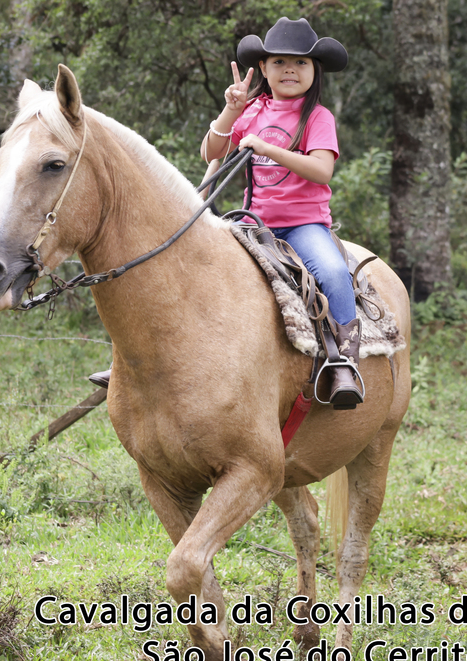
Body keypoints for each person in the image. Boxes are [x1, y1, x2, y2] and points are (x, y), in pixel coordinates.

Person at [202, 16, 363, 410]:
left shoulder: (318, 117)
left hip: (303, 225)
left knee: (333, 272)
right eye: (279, 62)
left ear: (315, 70)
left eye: (300, 62)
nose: (290, 69)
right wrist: (230, 111)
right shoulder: (251, 110)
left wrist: (267, 148)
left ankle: (344, 363)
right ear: (263, 68)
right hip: (252, 222)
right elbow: (211, 153)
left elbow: (322, 170)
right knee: (192, 264)